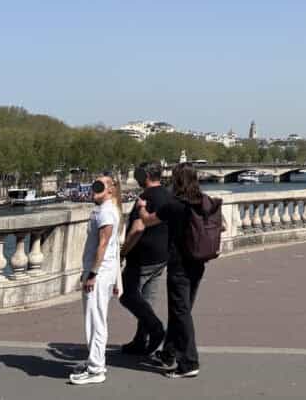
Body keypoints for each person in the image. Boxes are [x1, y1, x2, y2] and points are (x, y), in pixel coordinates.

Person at [137, 162, 219, 378]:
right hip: (199, 262)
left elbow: (147, 221)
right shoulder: (206, 202)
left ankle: (189, 362)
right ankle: (169, 353)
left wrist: (142, 207)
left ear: (176, 180)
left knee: (181, 312)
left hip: (179, 264)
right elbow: (224, 225)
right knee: (182, 309)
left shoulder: (175, 205)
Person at [69, 173, 122, 385]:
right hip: (102, 272)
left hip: (98, 274)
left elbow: (104, 245)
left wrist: (92, 274)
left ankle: (96, 369)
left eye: (100, 186)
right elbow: (114, 248)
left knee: (95, 320)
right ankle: (95, 361)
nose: (94, 189)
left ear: (110, 190)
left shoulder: (107, 213)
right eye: (94, 185)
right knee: (95, 318)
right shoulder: (106, 210)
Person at [118, 162, 172, 357]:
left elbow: (138, 228)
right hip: (162, 256)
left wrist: (123, 252)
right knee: (147, 300)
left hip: (142, 257)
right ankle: (141, 340)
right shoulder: (168, 195)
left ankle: (155, 328)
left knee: (126, 294)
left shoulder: (145, 198)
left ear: (146, 176)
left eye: (139, 174)